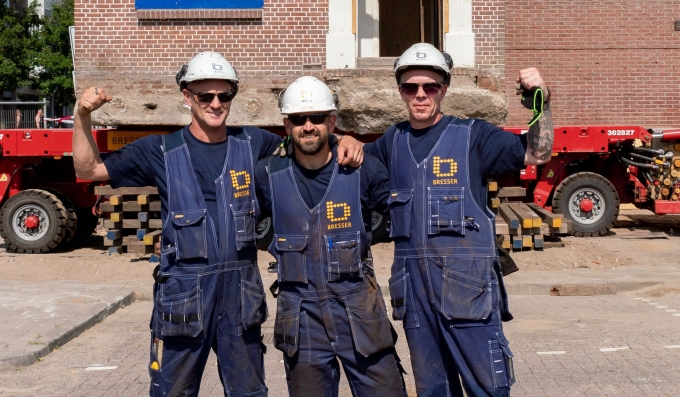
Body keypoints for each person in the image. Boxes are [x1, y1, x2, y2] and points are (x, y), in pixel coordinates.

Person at [72, 52, 364, 397]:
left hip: (240, 298)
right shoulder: (159, 150)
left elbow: (307, 142)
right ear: (186, 97)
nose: (215, 103)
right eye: (204, 95)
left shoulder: (256, 143)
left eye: (224, 95)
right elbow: (88, 170)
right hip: (183, 299)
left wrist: (342, 139)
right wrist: (82, 116)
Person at [364, 43, 554, 397]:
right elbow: (352, 163)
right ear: (401, 91)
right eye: (410, 87)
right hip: (416, 300)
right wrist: (343, 138)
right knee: (434, 391)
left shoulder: (473, 137)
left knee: (488, 391)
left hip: (468, 297)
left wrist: (540, 100)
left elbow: (537, 152)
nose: (420, 95)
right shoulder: (392, 141)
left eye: (430, 87)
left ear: (444, 89)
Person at [254, 76, 406, 397]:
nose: (308, 126)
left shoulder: (363, 170)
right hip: (302, 322)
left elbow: (400, 217)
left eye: (317, 118)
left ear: (332, 121)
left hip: (361, 317)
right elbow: (241, 219)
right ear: (287, 125)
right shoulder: (267, 176)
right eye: (298, 119)